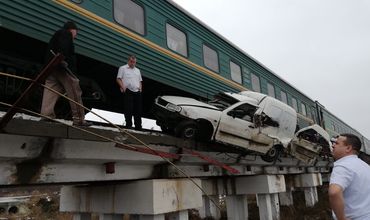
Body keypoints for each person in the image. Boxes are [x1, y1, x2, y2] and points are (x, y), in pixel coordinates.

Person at [40, 21, 91, 126]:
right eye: (76, 32)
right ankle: (79, 119)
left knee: (51, 89)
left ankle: (46, 115)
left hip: (51, 68)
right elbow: (63, 49)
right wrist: (63, 60)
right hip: (62, 67)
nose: (76, 35)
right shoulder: (66, 34)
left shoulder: (57, 35)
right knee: (74, 88)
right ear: (72, 29)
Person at [329, 133, 370, 220]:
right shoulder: (365, 166)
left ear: (348, 148)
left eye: (337, 143)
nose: (333, 145)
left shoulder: (343, 166)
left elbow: (334, 192)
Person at [116, 55, 143, 130]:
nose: (133, 63)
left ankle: (138, 126)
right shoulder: (123, 68)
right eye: (131, 61)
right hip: (128, 91)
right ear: (128, 61)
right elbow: (118, 79)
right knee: (128, 109)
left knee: (138, 110)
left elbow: (140, 81)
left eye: (134, 62)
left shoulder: (138, 70)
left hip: (137, 92)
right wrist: (123, 87)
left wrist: (140, 89)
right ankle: (129, 125)